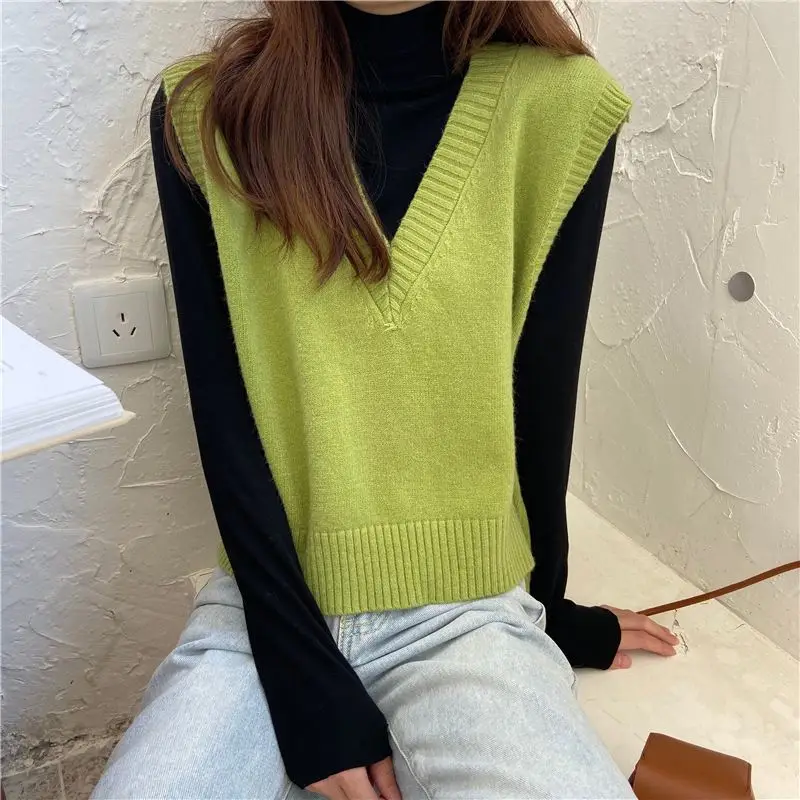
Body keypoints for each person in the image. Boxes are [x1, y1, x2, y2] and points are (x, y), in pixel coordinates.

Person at [94, 2, 679, 798]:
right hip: (264, 616)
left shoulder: (563, 106)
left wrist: (552, 613)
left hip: (467, 616)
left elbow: (542, 404)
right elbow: (226, 423)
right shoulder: (208, 112)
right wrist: (304, 684)